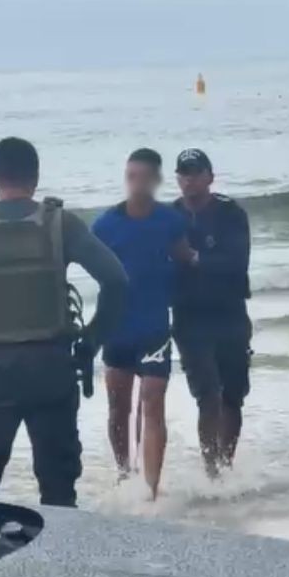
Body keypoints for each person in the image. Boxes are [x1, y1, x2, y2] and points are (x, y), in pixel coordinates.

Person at [0, 137, 127, 508]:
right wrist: (91, 341)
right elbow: (117, 280)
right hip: (52, 370)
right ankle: (62, 544)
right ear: (36, 179)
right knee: (59, 491)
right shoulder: (62, 224)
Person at [92, 148, 194, 498]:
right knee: (118, 408)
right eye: (130, 176)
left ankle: (151, 488)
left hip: (154, 329)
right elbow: (89, 265)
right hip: (117, 329)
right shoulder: (105, 225)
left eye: (143, 177)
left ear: (156, 180)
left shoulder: (170, 221)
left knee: (152, 401)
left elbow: (185, 258)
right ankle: (124, 473)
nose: (136, 183)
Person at [171, 148, 252, 477]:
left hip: (230, 313)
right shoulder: (170, 217)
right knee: (207, 394)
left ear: (210, 177)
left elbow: (237, 263)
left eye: (195, 172)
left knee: (232, 396)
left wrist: (194, 258)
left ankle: (226, 465)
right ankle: (211, 472)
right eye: (183, 173)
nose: (189, 179)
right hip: (189, 318)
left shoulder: (230, 213)